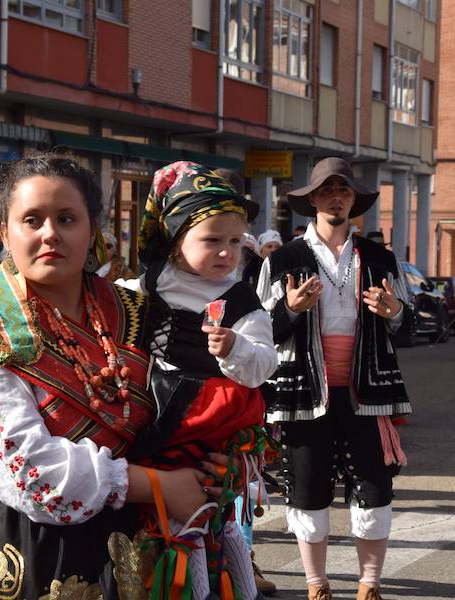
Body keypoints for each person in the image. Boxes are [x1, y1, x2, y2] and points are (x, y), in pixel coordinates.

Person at [0, 156, 215, 599]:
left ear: (92, 231)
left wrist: (221, 460)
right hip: (45, 554)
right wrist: (159, 485)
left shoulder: (137, 311)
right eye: (31, 220)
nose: (50, 234)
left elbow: (203, 398)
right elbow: (30, 473)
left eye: (66, 219)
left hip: (160, 539)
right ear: (5, 232)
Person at [256, 157, 413, 600]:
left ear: (354, 201)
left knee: (374, 488)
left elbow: (410, 321)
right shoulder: (285, 258)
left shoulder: (381, 258)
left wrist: (394, 311)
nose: (337, 197)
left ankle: (370, 585)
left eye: (344, 191)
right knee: (307, 489)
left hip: (368, 392)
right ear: (313, 201)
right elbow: (259, 330)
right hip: (304, 392)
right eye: (328, 190)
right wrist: (290, 309)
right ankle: (316, 585)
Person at [122, 161, 276, 600]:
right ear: (175, 243)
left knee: (209, 516)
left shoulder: (242, 300)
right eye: (212, 241)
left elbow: (263, 364)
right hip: (151, 405)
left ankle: (225, 590)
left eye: (235, 242)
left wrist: (234, 351)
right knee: (165, 516)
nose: (227, 253)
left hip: (208, 414)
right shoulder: (149, 285)